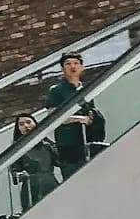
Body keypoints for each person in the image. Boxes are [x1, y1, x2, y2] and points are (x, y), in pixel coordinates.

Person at [44, 52, 107, 182]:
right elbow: (53, 116)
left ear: (82, 67)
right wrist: (78, 119)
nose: (72, 66)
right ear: (62, 69)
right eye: (68, 64)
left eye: (76, 63)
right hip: (68, 144)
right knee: (73, 178)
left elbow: (90, 113)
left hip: (86, 142)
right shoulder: (57, 90)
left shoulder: (86, 89)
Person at [8, 113, 60, 213]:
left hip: (49, 182)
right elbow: (14, 171)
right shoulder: (16, 149)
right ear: (18, 129)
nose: (26, 126)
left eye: (28, 122)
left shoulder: (46, 145)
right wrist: (20, 175)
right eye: (21, 124)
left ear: (35, 124)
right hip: (30, 186)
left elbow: (61, 160)